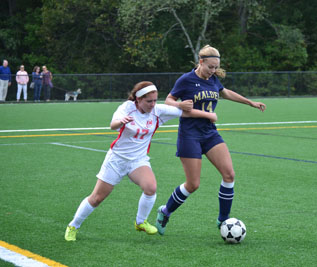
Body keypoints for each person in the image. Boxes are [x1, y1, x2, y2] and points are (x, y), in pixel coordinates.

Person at [64, 81, 217, 241]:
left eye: (155, 100)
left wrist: (208, 115)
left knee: (151, 187)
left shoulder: (157, 111)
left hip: (138, 160)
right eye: (148, 101)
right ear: (138, 99)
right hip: (117, 160)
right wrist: (121, 122)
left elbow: (184, 112)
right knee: (97, 198)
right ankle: (73, 225)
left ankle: (140, 222)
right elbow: (112, 125)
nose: (152, 104)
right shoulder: (126, 108)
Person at [155, 45, 266, 235]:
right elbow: (168, 100)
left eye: (216, 68)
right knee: (193, 184)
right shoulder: (186, 79)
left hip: (209, 133)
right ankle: (165, 211)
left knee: (229, 174)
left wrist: (251, 103)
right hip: (189, 135)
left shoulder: (213, 80)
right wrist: (179, 104)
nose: (213, 71)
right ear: (201, 62)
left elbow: (225, 92)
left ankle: (223, 220)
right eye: (210, 67)